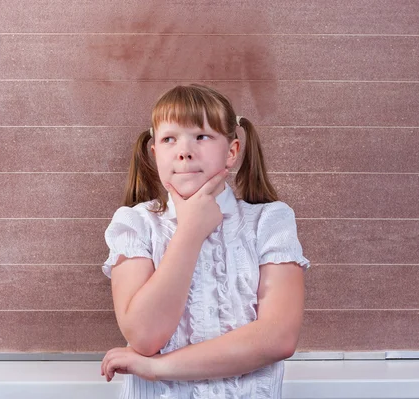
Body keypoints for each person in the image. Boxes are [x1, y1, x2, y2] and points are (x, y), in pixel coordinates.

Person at [100, 84, 310, 398]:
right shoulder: (135, 225)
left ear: (232, 151)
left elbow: (278, 337)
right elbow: (145, 336)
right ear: (156, 153)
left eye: (201, 136)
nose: (184, 151)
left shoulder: (270, 221)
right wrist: (190, 232)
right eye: (169, 139)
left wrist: (159, 367)